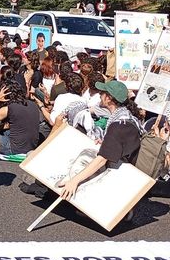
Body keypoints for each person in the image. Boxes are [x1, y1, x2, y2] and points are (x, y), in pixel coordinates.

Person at [56, 81, 141, 222]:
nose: (99, 95)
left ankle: (119, 209)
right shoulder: (125, 116)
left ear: (108, 98)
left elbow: (102, 159)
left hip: (122, 171)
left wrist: (74, 181)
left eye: (102, 93)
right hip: (125, 163)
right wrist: (106, 142)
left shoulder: (119, 125)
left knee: (84, 169)